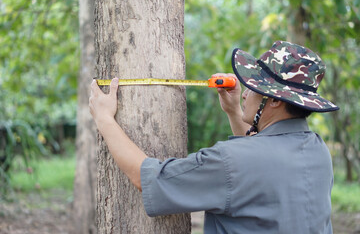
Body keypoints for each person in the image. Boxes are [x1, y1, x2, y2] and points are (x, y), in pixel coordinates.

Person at [89, 41, 339, 234]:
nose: (244, 94)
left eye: (254, 87)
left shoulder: (230, 162)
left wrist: (104, 119)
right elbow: (259, 170)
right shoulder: (318, 151)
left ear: (273, 99)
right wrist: (234, 113)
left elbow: (149, 179)